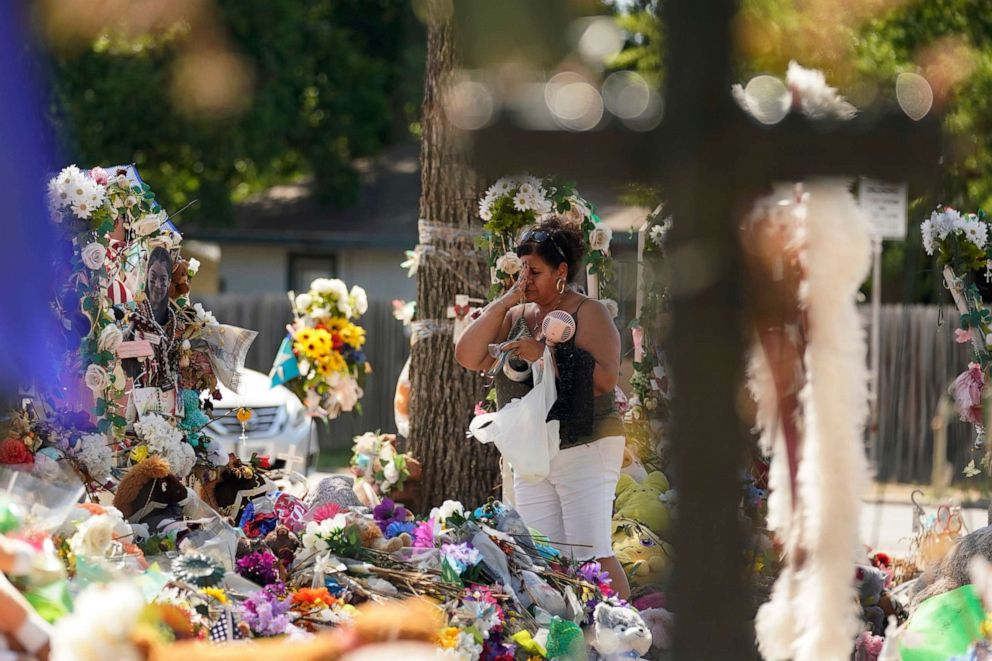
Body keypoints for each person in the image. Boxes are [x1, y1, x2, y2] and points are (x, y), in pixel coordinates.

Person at [455, 217, 630, 598]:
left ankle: (624, 643)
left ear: (561, 271)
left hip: (588, 442)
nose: (525, 281)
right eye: (522, 271)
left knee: (590, 553)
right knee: (543, 557)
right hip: (534, 450)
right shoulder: (517, 314)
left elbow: (605, 380)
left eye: (534, 272)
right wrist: (503, 302)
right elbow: (467, 355)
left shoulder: (590, 312)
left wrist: (545, 355)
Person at [145, 246, 172, 327]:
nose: (157, 285)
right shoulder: (134, 311)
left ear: (169, 282)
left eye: (163, 279)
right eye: (153, 276)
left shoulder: (172, 320)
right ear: (147, 274)